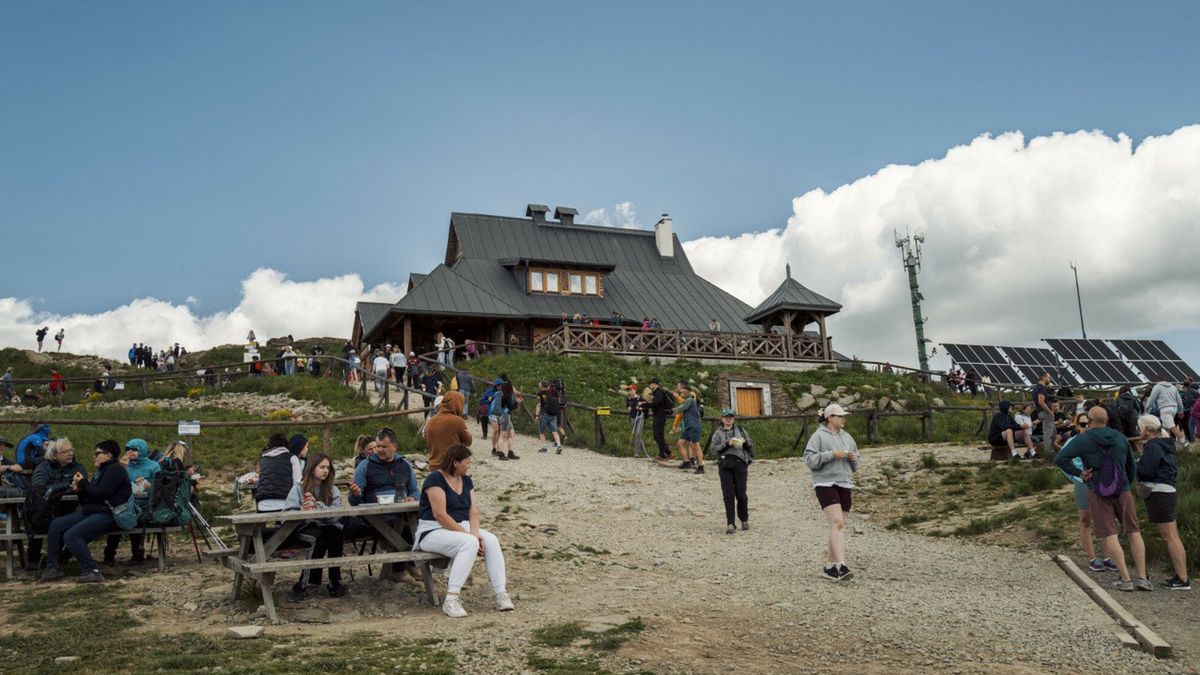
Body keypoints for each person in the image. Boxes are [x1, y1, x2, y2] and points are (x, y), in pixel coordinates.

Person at [1054, 406, 1150, 592]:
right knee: (1133, 531)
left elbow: (1060, 459)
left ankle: (1125, 579)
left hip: (1098, 491)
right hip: (1123, 490)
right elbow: (1131, 466)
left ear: (1089, 422)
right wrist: (1125, 484)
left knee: (1110, 534)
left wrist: (1080, 473)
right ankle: (1142, 577)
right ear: (1107, 420)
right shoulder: (1120, 438)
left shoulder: (1083, 439)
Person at [412, 443, 513, 618]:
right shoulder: (435, 479)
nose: (469, 465)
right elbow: (440, 515)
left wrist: (475, 534)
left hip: (461, 525)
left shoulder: (466, 480)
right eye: (467, 462)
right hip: (432, 530)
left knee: (491, 540)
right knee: (469, 543)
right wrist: (470, 537)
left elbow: (473, 511)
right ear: (455, 462)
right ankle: (451, 599)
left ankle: (501, 593)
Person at [39, 440, 131, 583]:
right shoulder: (102, 471)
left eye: (97, 453)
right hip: (94, 511)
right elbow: (89, 499)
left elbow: (101, 494)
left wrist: (83, 482)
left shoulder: (115, 470)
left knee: (72, 535)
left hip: (110, 515)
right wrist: (80, 491)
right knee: (57, 524)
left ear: (108, 455)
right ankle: (53, 567)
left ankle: (92, 570)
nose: (94, 456)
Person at [1134, 415, 1190, 589]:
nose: (1138, 431)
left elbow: (1147, 470)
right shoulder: (1165, 444)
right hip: (1168, 490)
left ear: (1147, 430)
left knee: (1170, 536)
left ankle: (1183, 578)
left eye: (1139, 427)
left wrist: (1135, 465)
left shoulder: (1153, 446)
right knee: (1172, 536)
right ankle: (1181, 576)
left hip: (1159, 492)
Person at [804, 404, 859, 581]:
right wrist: (831, 454)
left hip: (845, 483)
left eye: (843, 416)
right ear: (829, 417)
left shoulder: (847, 437)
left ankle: (829, 566)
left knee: (838, 525)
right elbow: (809, 460)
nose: (843, 419)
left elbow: (856, 465)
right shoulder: (818, 436)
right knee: (837, 522)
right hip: (825, 483)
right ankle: (841, 565)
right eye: (840, 416)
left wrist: (853, 459)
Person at [283, 452, 347, 601]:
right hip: (302, 527)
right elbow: (286, 515)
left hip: (327, 526)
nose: (325, 471)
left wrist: (317, 506)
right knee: (317, 538)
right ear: (312, 468)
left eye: (328, 468)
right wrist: (301, 511)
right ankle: (303, 584)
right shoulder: (298, 488)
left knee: (336, 533)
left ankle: (334, 580)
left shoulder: (332, 489)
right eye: (322, 467)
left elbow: (337, 514)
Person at [24, 439, 88, 571]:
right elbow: (40, 488)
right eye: (65, 452)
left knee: (79, 525)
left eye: (71, 450)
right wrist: (68, 485)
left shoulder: (78, 467)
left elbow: (83, 484)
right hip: (45, 509)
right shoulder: (43, 467)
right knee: (39, 520)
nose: (70, 453)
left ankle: (60, 557)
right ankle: (33, 559)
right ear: (54, 455)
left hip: (70, 507)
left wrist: (56, 488)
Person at [103, 439, 161, 565]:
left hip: (144, 504)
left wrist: (147, 485)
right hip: (125, 503)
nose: (130, 452)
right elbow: (115, 483)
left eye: (134, 449)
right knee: (118, 517)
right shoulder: (123, 464)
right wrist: (122, 468)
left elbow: (159, 488)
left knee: (137, 519)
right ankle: (109, 555)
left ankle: (137, 554)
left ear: (142, 450)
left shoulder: (153, 466)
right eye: (128, 449)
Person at [710, 408, 753, 534]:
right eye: (726, 417)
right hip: (724, 465)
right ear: (722, 419)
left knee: (741, 494)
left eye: (730, 417)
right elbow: (714, 450)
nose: (728, 419)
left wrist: (744, 442)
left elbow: (750, 445)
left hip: (740, 463)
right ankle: (730, 523)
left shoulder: (741, 430)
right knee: (728, 495)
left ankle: (744, 519)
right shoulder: (718, 433)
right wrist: (727, 443)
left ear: (733, 419)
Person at [424, 391, 473, 470]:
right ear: (457, 404)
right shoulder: (457, 420)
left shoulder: (431, 421)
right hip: (451, 467)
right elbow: (468, 441)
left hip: (434, 466)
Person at [256, 433, 303, 513]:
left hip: (262, 505)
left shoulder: (263, 459)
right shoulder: (292, 457)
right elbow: (298, 482)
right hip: (285, 504)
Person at [1145, 374, 1185, 445]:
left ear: (1157, 380)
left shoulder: (1157, 387)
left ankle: (1184, 443)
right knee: (1166, 428)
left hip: (1165, 409)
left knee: (1171, 426)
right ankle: (1168, 444)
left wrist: (1146, 409)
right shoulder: (1173, 387)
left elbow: (1151, 399)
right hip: (1174, 409)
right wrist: (1181, 410)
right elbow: (1179, 400)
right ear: (1165, 379)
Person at [673, 382, 704, 474]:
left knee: (696, 446)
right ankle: (686, 462)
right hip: (688, 427)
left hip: (694, 426)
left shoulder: (690, 400)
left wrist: (675, 409)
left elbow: (682, 408)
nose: (681, 393)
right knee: (680, 443)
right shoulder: (686, 400)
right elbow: (682, 406)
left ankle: (701, 466)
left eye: (682, 392)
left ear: (686, 392)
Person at [488, 381, 518, 460]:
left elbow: (491, 400)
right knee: (502, 435)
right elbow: (511, 406)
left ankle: (510, 452)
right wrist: (517, 403)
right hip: (505, 415)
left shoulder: (499, 393)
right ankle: (500, 453)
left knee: (511, 433)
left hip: (504, 415)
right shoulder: (508, 395)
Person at [648, 379, 673, 462]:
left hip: (660, 416)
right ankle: (667, 452)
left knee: (658, 435)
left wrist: (644, 404)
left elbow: (655, 404)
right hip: (657, 416)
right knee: (656, 436)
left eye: (651, 383)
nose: (650, 385)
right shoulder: (656, 392)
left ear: (655, 384)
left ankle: (663, 454)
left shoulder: (659, 392)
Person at [536, 381, 563, 454]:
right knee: (554, 431)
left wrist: (537, 415)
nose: (538, 385)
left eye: (539, 385)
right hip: (553, 415)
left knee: (541, 431)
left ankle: (544, 447)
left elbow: (538, 405)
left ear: (541, 386)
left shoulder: (540, 394)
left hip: (544, 414)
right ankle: (559, 445)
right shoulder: (552, 392)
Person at [1032, 372, 1055, 455]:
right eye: (1049, 377)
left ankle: (1053, 450)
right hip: (1045, 413)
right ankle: (1048, 453)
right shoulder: (1041, 388)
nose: (1050, 379)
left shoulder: (1036, 388)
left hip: (1041, 412)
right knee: (1048, 434)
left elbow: (1035, 403)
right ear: (1044, 377)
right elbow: (1041, 402)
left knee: (1053, 433)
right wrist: (1050, 412)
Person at [627, 385, 649, 458]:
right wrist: (628, 408)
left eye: (631, 390)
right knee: (638, 436)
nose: (630, 391)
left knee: (638, 434)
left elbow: (647, 407)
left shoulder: (640, 398)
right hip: (632, 417)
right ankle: (645, 454)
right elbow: (627, 407)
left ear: (635, 390)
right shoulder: (628, 399)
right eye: (629, 390)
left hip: (640, 417)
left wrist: (641, 408)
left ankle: (636, 453)